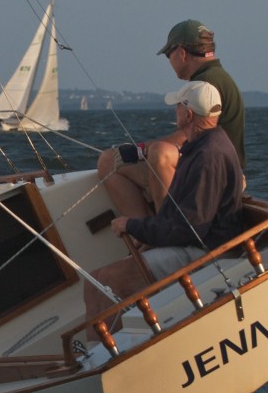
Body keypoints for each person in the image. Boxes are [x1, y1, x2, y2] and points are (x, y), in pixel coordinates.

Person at [84, 81, 244, 339]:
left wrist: (132, 226)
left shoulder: (207, 156)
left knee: (103, 282)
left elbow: (190, 228)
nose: (175, 113)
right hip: (196, 242)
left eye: (178, 108)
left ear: (188, 114)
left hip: (205, 253)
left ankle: (101, 361)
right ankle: (102, 353)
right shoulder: (205, 146)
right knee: (96, 281)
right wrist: (146, 234)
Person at [97, 19, 246, 218]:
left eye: (168, 54)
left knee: (108, 161)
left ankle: (149, 234)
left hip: (207, 174)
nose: (169, 60)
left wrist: (140, 150)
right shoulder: (218, 77)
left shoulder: (204, 86)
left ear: (182, 53)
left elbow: (189, 135)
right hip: (225, 171)